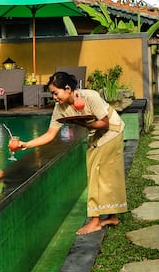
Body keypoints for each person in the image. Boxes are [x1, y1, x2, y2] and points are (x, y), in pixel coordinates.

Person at [16, 71, 127, 234]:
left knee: (96, 173)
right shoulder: (59, 108)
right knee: (104, 174)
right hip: (96, 135)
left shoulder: (90, 96)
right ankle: (112, 217)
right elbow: (50, 134)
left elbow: (105, 123)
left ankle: (95, 221)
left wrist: (81, 123)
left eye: (56, 93)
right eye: (52, 94)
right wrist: (27, 144)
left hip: (112, 131)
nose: (54, 97)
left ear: (68, 89)